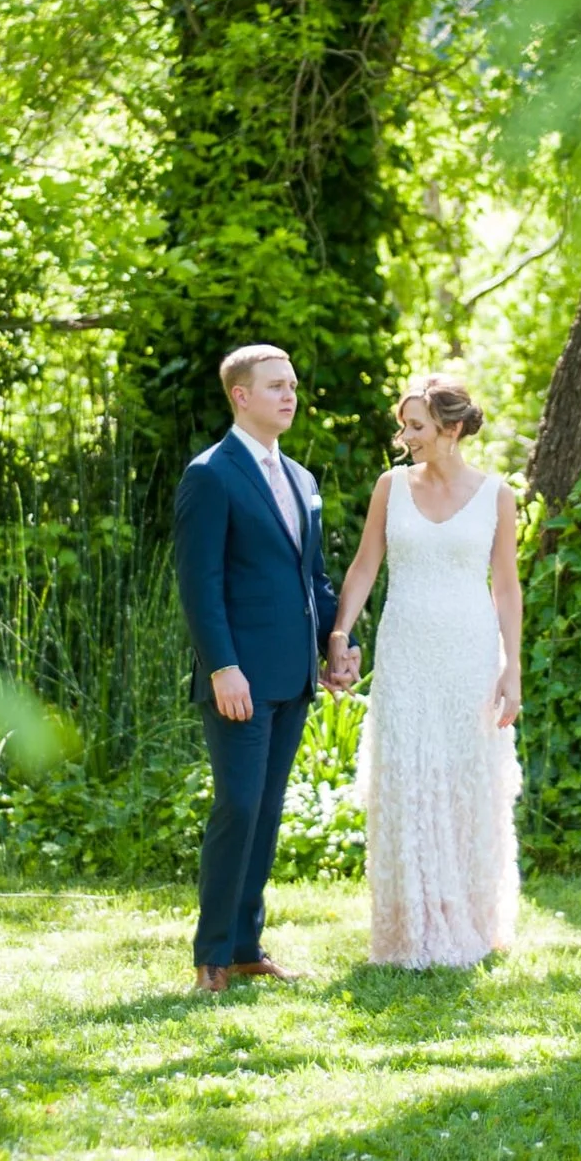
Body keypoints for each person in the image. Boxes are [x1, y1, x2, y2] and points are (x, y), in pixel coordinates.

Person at [173, 344, 361, 994]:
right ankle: (212, 957)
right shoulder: (211, 474)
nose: (290, 395)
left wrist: (337, 641)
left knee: (269, 810)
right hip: (238, 678)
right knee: (239, 804)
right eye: (276, 385)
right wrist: (222, 665)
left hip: (293, 675)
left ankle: (248, 946)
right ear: (240, 396)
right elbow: (199, 584)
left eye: (294, 385)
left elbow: (311, 576)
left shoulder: (303, 479)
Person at [332, 372, 522, 969]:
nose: (404, 434)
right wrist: (340, 631)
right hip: (406, 651)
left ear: (453, 428)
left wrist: (512, 666)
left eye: (416, 425)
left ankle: (472, 919)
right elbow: (365, 566)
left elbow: (507, 586)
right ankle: (409, 928)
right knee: (410, 780)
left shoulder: (497, 495)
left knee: (467, 783)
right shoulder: (390, 486)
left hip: (470, 653)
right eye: (405, 423)